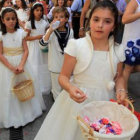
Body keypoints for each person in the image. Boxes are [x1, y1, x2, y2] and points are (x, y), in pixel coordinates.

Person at [34, 1, 127, 140]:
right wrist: (70, 88)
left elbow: (118, 77)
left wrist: (121, 91)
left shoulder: (118, 50)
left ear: (114, 26)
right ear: (90, 22)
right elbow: (63, 77)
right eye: (96, 19)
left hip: (106, 100)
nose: (100, 25)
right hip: (78, 102)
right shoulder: (76, 45)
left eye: (107, 21)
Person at [0, 7, 46, 128]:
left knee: (25, 85)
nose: (11, 21)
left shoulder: (21, 33)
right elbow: (0, 54)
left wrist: (21, 65)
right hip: (7, 66)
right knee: (9, 89)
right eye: (8, 19)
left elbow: (26, 50)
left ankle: (29, 113)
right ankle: (13, 116)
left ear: (16, 19)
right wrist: (11, 67)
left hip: (22, 62)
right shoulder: (1, 36)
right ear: (3, 20)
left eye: (13, 18)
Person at [39, 6, 73, 100]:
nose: (58, 19)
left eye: (61, 17)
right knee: (56, 89)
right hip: (55, 65)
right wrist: (50, 30)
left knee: (66, 88)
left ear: (66, 19)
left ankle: (64, 107)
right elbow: (42, 45)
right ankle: (57, 109)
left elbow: (72, 48)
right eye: (56, 17)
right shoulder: (51, 32)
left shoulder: (71, 32)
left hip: (67, 66)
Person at [25, 2, 51, 95]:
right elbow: (26, 38)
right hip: (33, 47)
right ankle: (36, 86)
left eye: (41, 10)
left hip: (42, 46)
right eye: (37, 10)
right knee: (35, 65)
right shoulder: (29, 24)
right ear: (33, 11)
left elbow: (48, 33)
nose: (39, 12)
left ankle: (44, 87)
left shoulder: (45, 22)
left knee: (43, 65)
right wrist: (36, 37)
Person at [121, 0, 140, 103]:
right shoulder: (134, 2)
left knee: (131, 68)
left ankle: (118, 76)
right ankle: (125, 92)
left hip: (139, 41)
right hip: (131, 42)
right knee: (128, 68)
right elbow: (124, 19)